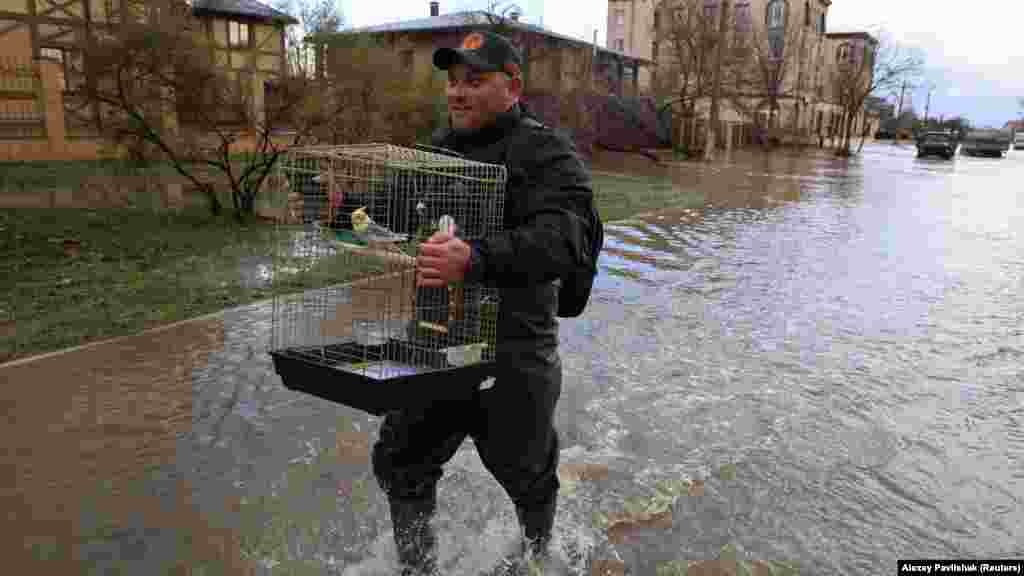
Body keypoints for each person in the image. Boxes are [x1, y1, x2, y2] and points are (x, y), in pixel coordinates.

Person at [370, 30, 597, 575]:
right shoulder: (435, 150)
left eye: (474, 81)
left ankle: (537, 557)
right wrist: (338, 208)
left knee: (528, 473)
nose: (457, 93)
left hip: (513, 350)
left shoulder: (546, 153)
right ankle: (416, 568)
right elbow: (384, 212)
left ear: (512, 86)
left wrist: (474, 259)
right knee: (402, 461)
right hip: (434, 341)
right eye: (452, 82)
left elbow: (567, 240)